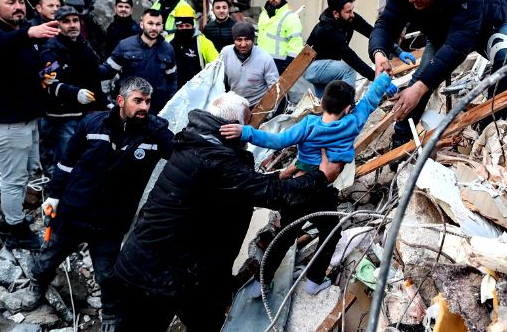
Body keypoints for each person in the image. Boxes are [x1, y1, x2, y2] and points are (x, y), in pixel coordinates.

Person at [113, 91, 343, 331]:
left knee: (209, 322)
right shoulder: (216, 158)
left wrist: (279, 175)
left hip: (179, 272)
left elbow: (242, 186)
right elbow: (274, 195)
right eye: (246, 123)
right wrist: (321, 176)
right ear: (231, 126)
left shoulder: (200, 143)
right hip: (155, 278)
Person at [220, 71, 392, 297]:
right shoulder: (353, 122)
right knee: (331, 233)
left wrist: (245, 132)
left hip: (300, 188)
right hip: (323, 190)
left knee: (284, 235)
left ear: (321, 102)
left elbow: (278, 141)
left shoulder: (309, 124)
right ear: (349, 107)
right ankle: (314, 281)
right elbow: (370, 99)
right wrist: (384, 78)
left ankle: (261, 284)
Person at [27, 77, 174, 331]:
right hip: (74, 211)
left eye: (148, 102)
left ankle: (110, 313)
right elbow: (66, 162)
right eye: (137, 101)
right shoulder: (92, 124)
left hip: (111, 220)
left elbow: (181, 154)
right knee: (49, 257)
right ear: (120, 101)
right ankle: (37, 285)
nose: (144, 107)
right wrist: (54, 195)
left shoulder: (155, 133)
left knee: (107, 273)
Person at [368, 0, 507, 152]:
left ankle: (490, 131)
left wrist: (422, 86)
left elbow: (458, 46)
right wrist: (379, 53)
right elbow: (386, 23)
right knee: (421, 80)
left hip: (490, 26)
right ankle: (401, 143)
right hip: (444, 33)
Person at [0, 0, 60, 250]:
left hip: (26, 121)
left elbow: (27, 62)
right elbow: (4, 45)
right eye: (11, 2)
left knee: (25, 173)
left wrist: (45, 68)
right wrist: (30, 33)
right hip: (7, 125)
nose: (19, 6)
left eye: (21, 1)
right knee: (13, 180)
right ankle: (14, 229)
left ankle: (16, 216)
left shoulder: (16, 35)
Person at [305, 0, 411, 97]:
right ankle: (349, 105)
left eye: (352, 10)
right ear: (336, 13)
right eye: (348, 11)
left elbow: (373, 33)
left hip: (328, 66)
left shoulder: (350, 18)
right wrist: (378, 80)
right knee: (348, 70)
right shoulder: (327, 29)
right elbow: (352, 59)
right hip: (313, 67)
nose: (352, 14)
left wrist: (398, 51)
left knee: (325, 105)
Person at [39, 5, 108, 174]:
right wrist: (74, 93)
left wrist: (105, 104)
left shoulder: (83, 47)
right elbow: (46, 81)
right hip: (62, 118)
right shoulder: (52, 51)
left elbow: (94, 79)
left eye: (75, 20)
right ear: (57, 25)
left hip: (85, 115)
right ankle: (57, 194)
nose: (72, 25)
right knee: (65, 160)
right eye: (66, 21)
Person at [100, 9, 177, 114]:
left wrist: (171, 104)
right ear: (141, 24)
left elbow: (172, 80)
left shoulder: (168, 49)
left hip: (157, 110)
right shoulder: (125, 46)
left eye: (158, 24)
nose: (154, 28)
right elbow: (107, 71)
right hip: (130, 108)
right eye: (150, 23)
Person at [222, 22, 279, 107]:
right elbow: (218, 81)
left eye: (247, 39)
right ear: (234, 40)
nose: (243, 44)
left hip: (258, 106)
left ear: (253, 40)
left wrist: (268, 112)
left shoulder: (265, 58)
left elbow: (275, 89)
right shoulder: (225, 53)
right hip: (235, 105)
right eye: (239, 40)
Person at [257, 0, 303, 74]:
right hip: (261, 62)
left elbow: (295, 46)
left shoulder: (290, 17)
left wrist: (286, 68)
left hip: (279, 63)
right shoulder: (263, 15)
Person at [166, 4, 219, 87]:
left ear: (192, 25)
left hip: (197, 90)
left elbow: (217, 64)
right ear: (176, 26)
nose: (184, 28)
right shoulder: (168, 41)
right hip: (172, 91)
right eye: (180, 26)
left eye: (187, 25)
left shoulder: (203, 42)